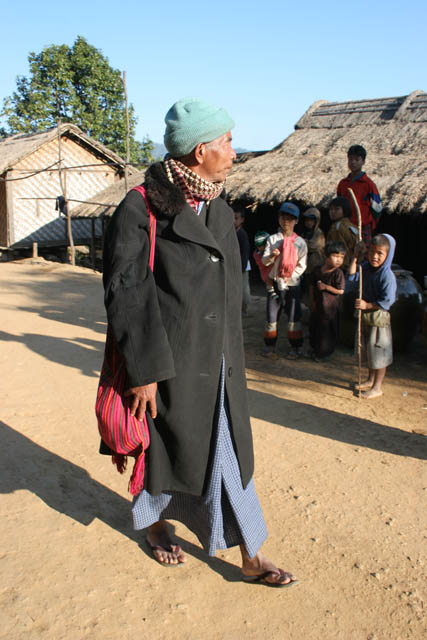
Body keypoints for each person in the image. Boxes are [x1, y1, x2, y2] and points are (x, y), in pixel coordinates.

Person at [102, 97, 297, 587]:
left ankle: (251, 553)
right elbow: (127, 292)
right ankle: (155, 525)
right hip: (169, 361)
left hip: (220, 361)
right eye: (226, 142)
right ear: (198, 150)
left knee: (228, 452)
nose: (234, 152)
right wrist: (144, 371)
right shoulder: (140, 208)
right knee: (165, 450)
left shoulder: (219, 207)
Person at [347, 234, 397, 399]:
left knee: (379, 353)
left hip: (378, 318)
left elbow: (387, 301)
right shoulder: (366, 268)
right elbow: (352, 277)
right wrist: (355, 256)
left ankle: (377, 387)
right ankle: (370, 380)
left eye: (380, 253)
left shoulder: (387, 275)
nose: (374, 257)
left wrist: (367, 305)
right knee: (369, 351)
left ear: (388, 255)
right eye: (371, 252)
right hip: (366, 317)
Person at [262, 202, 307, 359]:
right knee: (271, 316)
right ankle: (270, 345)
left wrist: (289, 276)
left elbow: (302, 265)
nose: (286, 222)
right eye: (283, 218)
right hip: (274, 284)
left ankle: (295, 347)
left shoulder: (300, 243)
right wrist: (272, 256)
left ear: (296, 221)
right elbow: (265, 261)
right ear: (279, 219)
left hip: (292, 285)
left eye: (290, 219)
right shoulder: (273, 239)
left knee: (294, 317)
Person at [337, 145, 382, 245]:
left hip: (363, 227)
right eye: (350, 159)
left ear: (363, 161)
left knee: (362, 252)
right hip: (346, 227)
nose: (353, 162)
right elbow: (338, 206)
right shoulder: (343, 184)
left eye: (357, 160)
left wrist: (369, 224)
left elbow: (377, 209)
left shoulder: (369, 185)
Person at [308, 241, 346, 361]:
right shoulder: (317, 270)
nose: (338, 260)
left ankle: (323, 353)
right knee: (315, 328)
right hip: (318, 306)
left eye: (341, 257)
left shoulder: (338, 273)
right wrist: (312, 301)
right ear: (326, 256)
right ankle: (315, 349)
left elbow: (340, 291)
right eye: (335, 256)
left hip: (330, 309)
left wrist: (326, 287)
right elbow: (312, 286)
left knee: (327, 332)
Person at [327, 196, 359, 271]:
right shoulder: (354, 227)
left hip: (341, 266)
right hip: (354, 264)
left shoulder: (337, 227)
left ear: (345, 210)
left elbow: (337, 249)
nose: (333, 212)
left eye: (337, 209)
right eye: (331, 209)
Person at [234, 209, 251, 316]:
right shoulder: (229, 233)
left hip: (242, 267)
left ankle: (244, 309)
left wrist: (242, 267)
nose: (233, 221)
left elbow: (245, 252)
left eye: (236, 218)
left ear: (242, 220)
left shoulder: (242, 234)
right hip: (232, 266)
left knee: (244, 290)